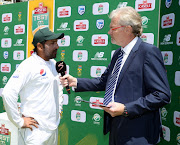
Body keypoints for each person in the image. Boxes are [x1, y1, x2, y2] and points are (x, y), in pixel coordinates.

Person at [60, 6, 171, 145]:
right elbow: (104, 82)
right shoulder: (118, 54)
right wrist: (75, 81)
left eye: (112, 28)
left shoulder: (148, 52)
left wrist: (126, 109)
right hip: (116, 130)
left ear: (127, 29)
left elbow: (162, 95)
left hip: (138, 134)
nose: (108, 32)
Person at [2, 27, 64, 145]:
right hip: (34, 132)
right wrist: (19, 121)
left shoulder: (54, 64)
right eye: (52, 43)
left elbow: (58, 88)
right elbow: (8, 93)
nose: (57, 46)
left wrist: (59, 109)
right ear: (40, 46)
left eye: (56, 42)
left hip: (53, 129)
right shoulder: (28, 65)